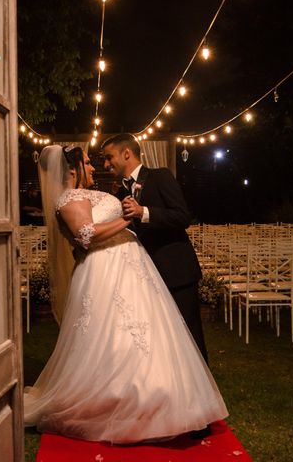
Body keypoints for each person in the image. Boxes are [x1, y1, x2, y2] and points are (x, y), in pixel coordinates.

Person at [23, 145, 228, 444]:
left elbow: (179, 214)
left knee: (153, 338)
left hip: (136, 271)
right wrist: (128, 219)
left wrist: (138, 215)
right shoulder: (70, 197)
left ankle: (178, 401)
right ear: (71, 170)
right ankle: (118, 399)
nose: (96, 167)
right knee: (113, 337)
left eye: (105, 159)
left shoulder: (151, 179)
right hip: (106, 272)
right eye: (89, 164)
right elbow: (87, 234)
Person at [100, 134, 208, 363]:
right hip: (145, 277)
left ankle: (203, 387)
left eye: (109, 158)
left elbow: (182, 216)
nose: (106, 164)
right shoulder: (120, 193)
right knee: (161, 336)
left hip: (175, 271)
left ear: (126, 153)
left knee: (189, 333)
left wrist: (144, 212)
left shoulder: (160, 176)